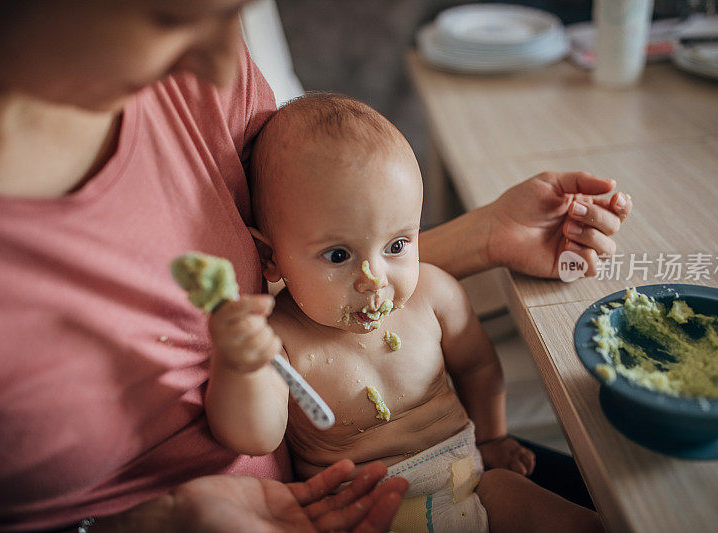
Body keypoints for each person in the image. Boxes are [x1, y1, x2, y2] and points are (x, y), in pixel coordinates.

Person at [0, 1, 631, 531]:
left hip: (430, 482)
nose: (220, 62)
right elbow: (256, 423)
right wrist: (155, 519)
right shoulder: (281, 340)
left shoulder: (203, 84)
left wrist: (484, 235)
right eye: (169, 18)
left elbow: (340, 237)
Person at [205, 93, 604, 532]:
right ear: (270, 256)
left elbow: (478, 366)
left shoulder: (434, 295)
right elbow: (253, 437)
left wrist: (492, 438)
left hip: (471, 485)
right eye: (338, 255)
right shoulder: (278, 339)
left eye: (397, 245)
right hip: (364, 515)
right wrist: (239, 364)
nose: (373, 278)